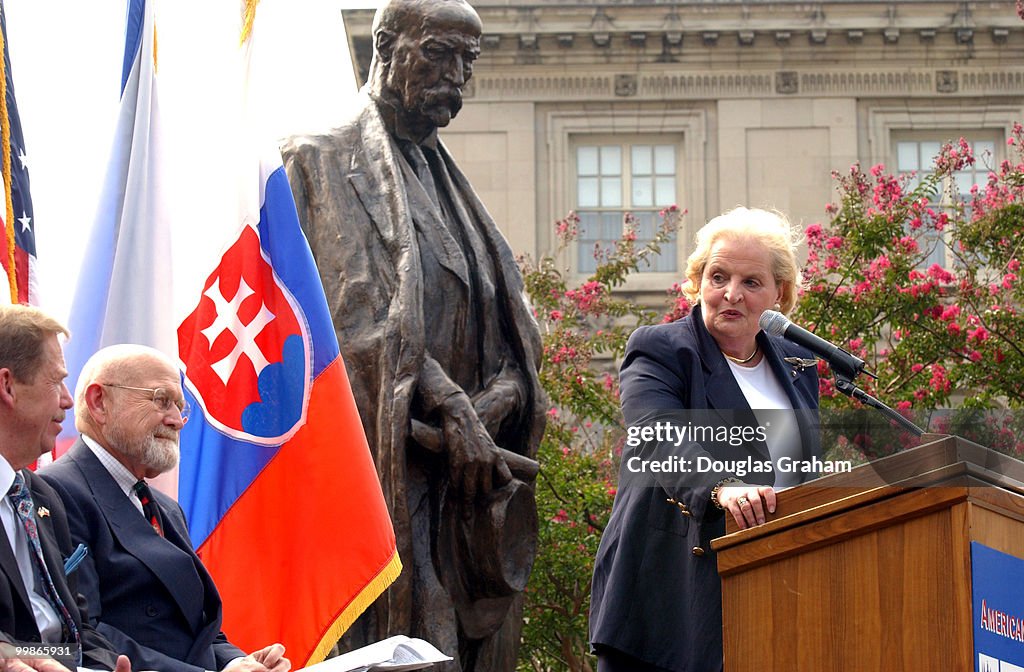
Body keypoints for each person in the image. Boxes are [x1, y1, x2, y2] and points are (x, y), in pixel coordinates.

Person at [280, 0, 546, 669]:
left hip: (465, 488)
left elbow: (510, 331)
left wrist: (504, 398)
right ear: (385, 45)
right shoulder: (317, 161)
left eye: (467, 61)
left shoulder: (454, 187)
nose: (454, 76)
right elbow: (338, 319)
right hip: (381, 473)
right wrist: (449, 405)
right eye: (437, 53)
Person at [589, 207, 822, 672]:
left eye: (752, 282)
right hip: (667, 604)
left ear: (780, 293)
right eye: (719, 277)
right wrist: (722, 486)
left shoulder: (798, 365)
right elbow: (658, 435)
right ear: (698, 281)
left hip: (770, 595)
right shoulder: (662, 349)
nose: (731, 294)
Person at [39, 345, 290, 672]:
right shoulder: (55, 493)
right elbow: (84, 635)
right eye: (161, 400)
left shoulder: (166, 509)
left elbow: (197, 630)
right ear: (99, 402)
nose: (176, 420)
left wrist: (237, 662)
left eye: (180, 407)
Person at [0, 304, 130, 672]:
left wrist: (105, 668)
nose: (68, 400)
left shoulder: (41, 498)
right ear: (8, 386)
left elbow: (78, 632)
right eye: (55, 380)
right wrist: (15, 659)